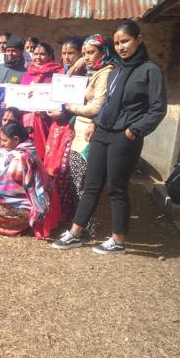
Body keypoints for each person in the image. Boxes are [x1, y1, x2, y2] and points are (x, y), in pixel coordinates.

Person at [52, 20, 167, 254]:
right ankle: (75, 233)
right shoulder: (116, 69)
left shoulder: (150, 71)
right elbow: (108, 103)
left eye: (125, 41)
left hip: (125, 137)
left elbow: (158, 109)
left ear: (138, 39)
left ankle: (118, 240)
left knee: (117, 188)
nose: (121, 47)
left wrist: (134, 130)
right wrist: (96, 123)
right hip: (102, 132)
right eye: (117, 43)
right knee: (91, 186)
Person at [54, 33, 117, 227]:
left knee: (83, 183)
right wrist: (79, 62)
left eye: (91, 53)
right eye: (84, 53)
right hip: (80, 130)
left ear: (103, 52)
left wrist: (71, 108)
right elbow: (86, 59)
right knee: (75, 179)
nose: (87, 57)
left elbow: (97, 107)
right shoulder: (94, 68)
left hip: (89, 132)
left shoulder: (105, 73)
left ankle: (85, 226)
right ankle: (77, 222)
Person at [0, 121, 59, 238]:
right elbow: (8, 175)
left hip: (32, 207)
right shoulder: (29, 149)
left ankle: (21, 225)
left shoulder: (19, 158)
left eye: (4, 140)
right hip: (44, 202)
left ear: (16, 139)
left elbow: (6, 189)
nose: (1, 144)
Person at [20, 42, 64, 159]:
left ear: (50, 56)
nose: (38, 57)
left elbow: (60, 97)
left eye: (42, 54)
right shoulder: (28, 74)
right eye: (35, 54)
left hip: (47, 120)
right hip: (26, 120)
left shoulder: (58, 73)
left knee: (41, 155)